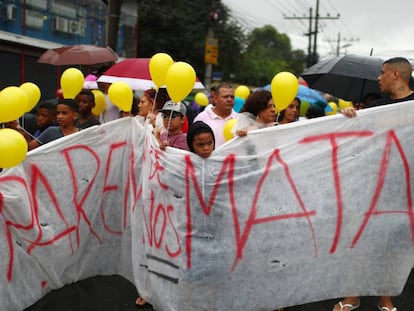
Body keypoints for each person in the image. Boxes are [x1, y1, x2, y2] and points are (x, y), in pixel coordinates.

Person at [333, 57, 413, 311]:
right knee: (361, 239)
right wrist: (349, 116)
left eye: (382, 73)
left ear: (397, 74)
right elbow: (357, 137)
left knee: (394, 246)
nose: (378, 78)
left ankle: (385, 298)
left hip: (406, 190)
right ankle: (352, 295)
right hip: (373, 187)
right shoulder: (377, 107)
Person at [193, 82, 238, 147]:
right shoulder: (201, 118)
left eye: (232, 97)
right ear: (215, 99)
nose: (229, 99)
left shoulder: (239, 119)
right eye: (225, 97)